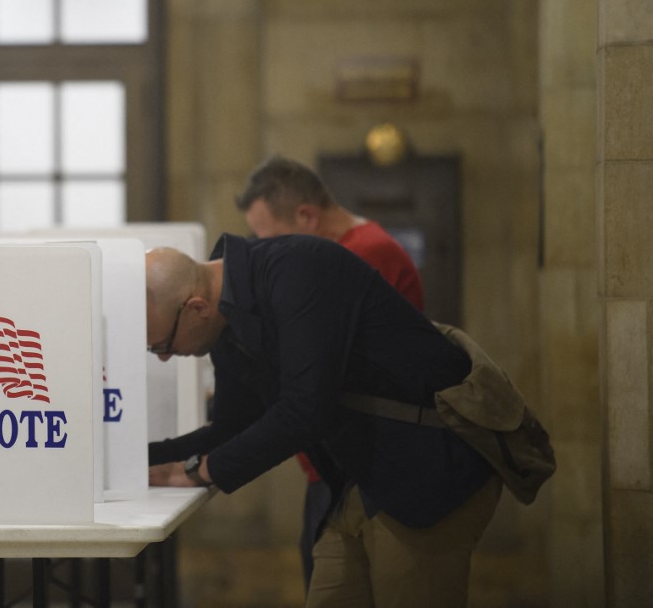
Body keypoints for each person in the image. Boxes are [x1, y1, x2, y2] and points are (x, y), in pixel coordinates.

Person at [146, 234, 501, 608]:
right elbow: (231, 427)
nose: (165, 358)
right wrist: (141, 459)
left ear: (197, 308)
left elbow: (305, 410)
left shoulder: (295, 269)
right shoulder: (225, 322)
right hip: (355, 483)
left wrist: (201, 472)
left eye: (162, 345)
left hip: (424, 472)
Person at [234, 155, 425, 589]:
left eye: (269, 240)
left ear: (307, 216)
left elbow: (313, 367)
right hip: (337, 462)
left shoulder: (363, 253)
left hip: (366, 466)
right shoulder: (347, 251)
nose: (265, 255)